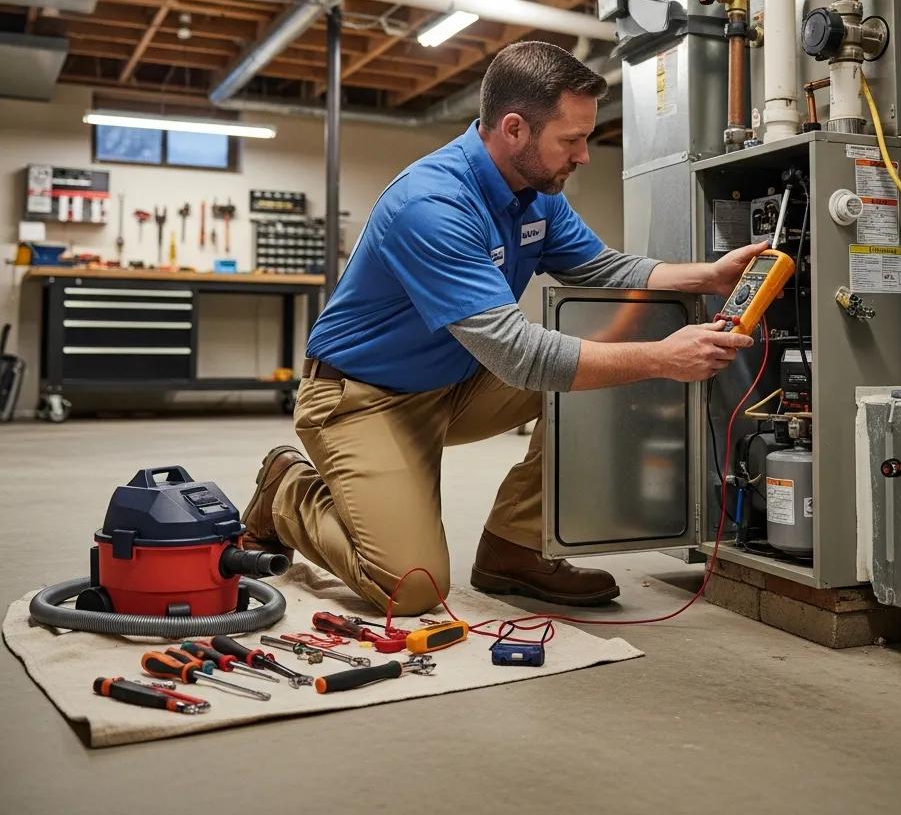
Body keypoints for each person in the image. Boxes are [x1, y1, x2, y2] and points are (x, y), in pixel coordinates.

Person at [241, 41, 761, 615]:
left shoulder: (534, 195)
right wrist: (662, 358)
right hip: (364, 398)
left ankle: (513, 548)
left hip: (459, 382)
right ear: (514, 129)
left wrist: (707, 276)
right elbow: (521, 357)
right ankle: (286, 490)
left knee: (616, 359)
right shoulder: (432, 204)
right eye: (572, 139)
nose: (585, 155)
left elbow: (603, 267)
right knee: (411, 587)